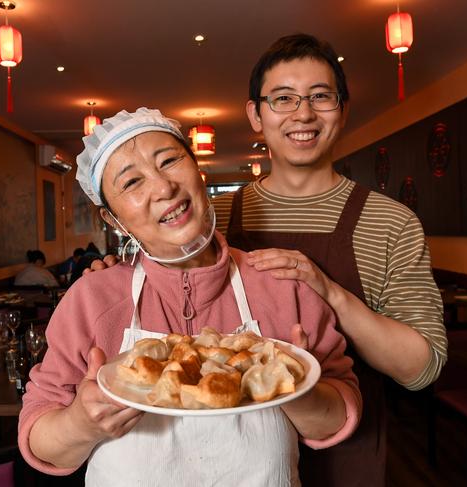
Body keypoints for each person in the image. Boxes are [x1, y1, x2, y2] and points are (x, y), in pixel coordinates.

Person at [87, 34, 447, 486]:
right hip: (236, 453)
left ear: (343, 108)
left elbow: (422, 368)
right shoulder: (210, 217)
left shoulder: (390, 223)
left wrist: (329, 291)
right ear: (255, 115)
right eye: (283, 99)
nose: (303, 113)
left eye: (321, 96)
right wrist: (118, 276)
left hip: (346, 441)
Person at [18, 108, 362, 486]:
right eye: (131, 182)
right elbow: (39, 434)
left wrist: (298, 388)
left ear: (198, 170)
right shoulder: (91, 299)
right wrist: (80, 423)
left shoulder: (281, 285)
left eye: (169, 161)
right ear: (113, 219)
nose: (163, 188)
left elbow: (337, 413)